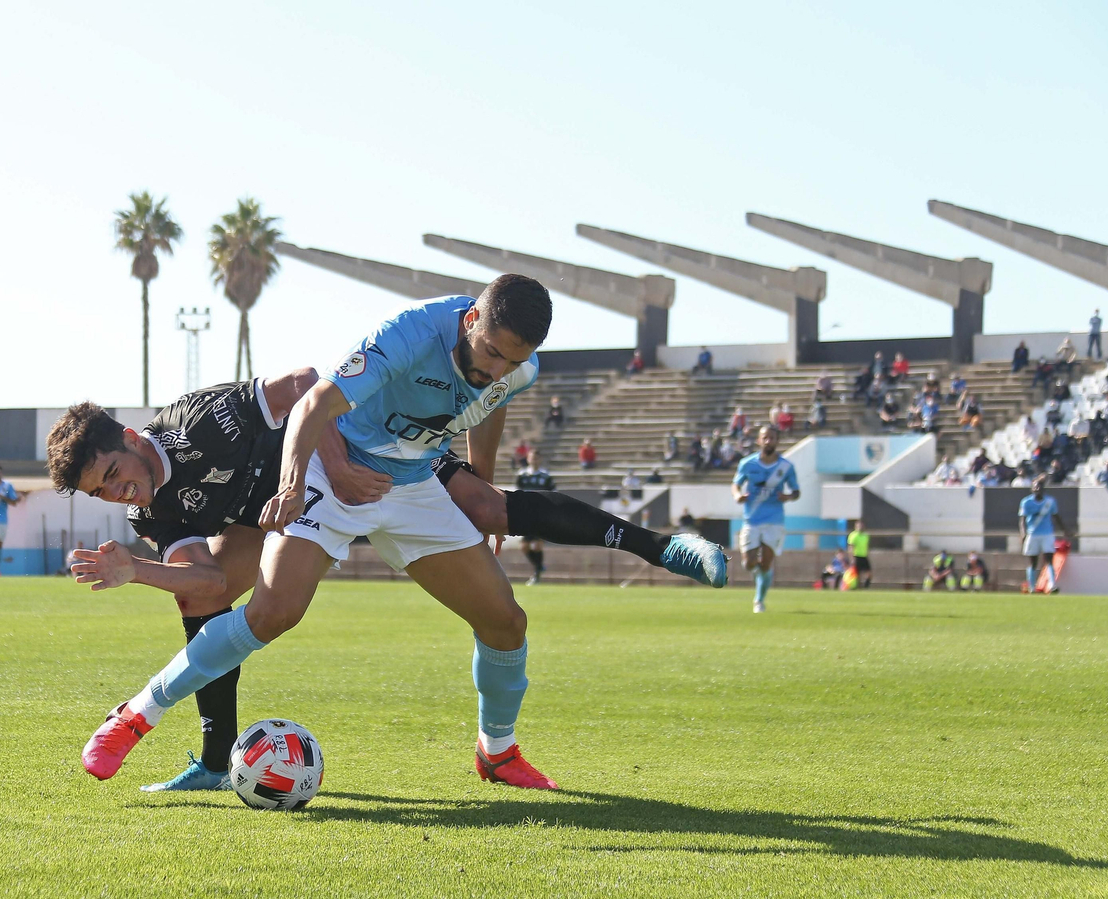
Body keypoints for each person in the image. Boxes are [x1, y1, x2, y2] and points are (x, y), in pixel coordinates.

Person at [74, 279, 728, 793]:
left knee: (506, 622)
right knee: (273, 613)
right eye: (491, 350)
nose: (497, 365)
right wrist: (300, 481)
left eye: (513, 358)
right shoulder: (408, 334)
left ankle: (496, 752)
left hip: (412, 486)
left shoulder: (514, 367)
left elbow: (488, 405)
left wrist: (480, 485)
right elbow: (311, 402)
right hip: (340, 472)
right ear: (471, 319)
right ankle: (135, 716)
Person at [732, 424, 800, 613]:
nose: (769, 441)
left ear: (777, 441)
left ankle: (759, 600)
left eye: (772, 438)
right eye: (765, 437)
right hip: (751, 520)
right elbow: (735, 484)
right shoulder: (748, 463)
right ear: (758, 440)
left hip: (774, 521)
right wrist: (737, 495)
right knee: (749, 563)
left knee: (767, 562)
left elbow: (796, 492)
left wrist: (788, 496)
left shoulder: (786, 467)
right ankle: (758, 577)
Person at [1019, 475, 1068, 594]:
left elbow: (1056, 516)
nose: (1037, 489)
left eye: (1039, 487)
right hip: (1032, 534)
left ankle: (1052, 585)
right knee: (1033, 561)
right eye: (1035, 487)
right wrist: (1023, 533)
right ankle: (1031, 587)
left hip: (1047, 534)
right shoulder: (1026, 502)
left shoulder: (1050, 502)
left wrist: (1065, 530)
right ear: (1032, 489)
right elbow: (1022, 520)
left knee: (1049, 560)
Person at [515, 450, 558, 585]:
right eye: (532, 458)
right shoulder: (522, 475)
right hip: (526, 515)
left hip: (541, 515)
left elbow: (553, 494)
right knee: (524, 546)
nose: (534, 460)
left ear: (540, 460)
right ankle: (539, 567)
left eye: (536, 458)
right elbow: (517, 494)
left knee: (538, 545)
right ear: (528, 459)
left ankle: (537, 575)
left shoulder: (545, 476)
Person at [847, 520, 872, 589]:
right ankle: (856, 587)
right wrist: (852, 558)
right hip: (856, 556)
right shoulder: (853, 535)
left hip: (864, 556)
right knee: (857, 574)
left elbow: (866, 546)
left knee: (869, 573)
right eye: (858, 526)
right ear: (855, 526)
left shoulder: (866, 536)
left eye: (861, 525)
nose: (860, 527)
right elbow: (851, 547)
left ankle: (866, 586)